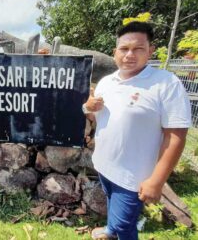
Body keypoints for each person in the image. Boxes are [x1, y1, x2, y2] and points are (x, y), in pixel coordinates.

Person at [82, 22, 191, 240]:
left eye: (138, 48)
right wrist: (88, 108)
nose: (129, 54)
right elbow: (97, 117)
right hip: (104, 165)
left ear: (150, 50)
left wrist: (157, 181)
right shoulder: (106, 82)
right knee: (111, 201)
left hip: (133, 176)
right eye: (124, 49)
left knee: (126, 227)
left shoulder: (165, 83)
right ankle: (110, 231)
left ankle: (117, 231)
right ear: (115, 53)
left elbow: (176, 135)